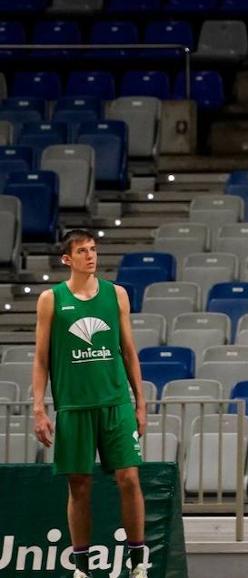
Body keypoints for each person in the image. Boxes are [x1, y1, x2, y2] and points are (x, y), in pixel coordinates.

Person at [31, 229, 149, 578]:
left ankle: (138, 563)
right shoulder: (51, 299)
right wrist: (39, 408)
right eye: (82, 251)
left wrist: (140, 403)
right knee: (79, 485)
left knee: (129, 478)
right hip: (73, 407)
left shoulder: (117, 295)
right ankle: (82, 567)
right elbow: (40, 359)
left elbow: (129, 352)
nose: (91, 256)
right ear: (67, 259)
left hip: (115, 403)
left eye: (93, 249)